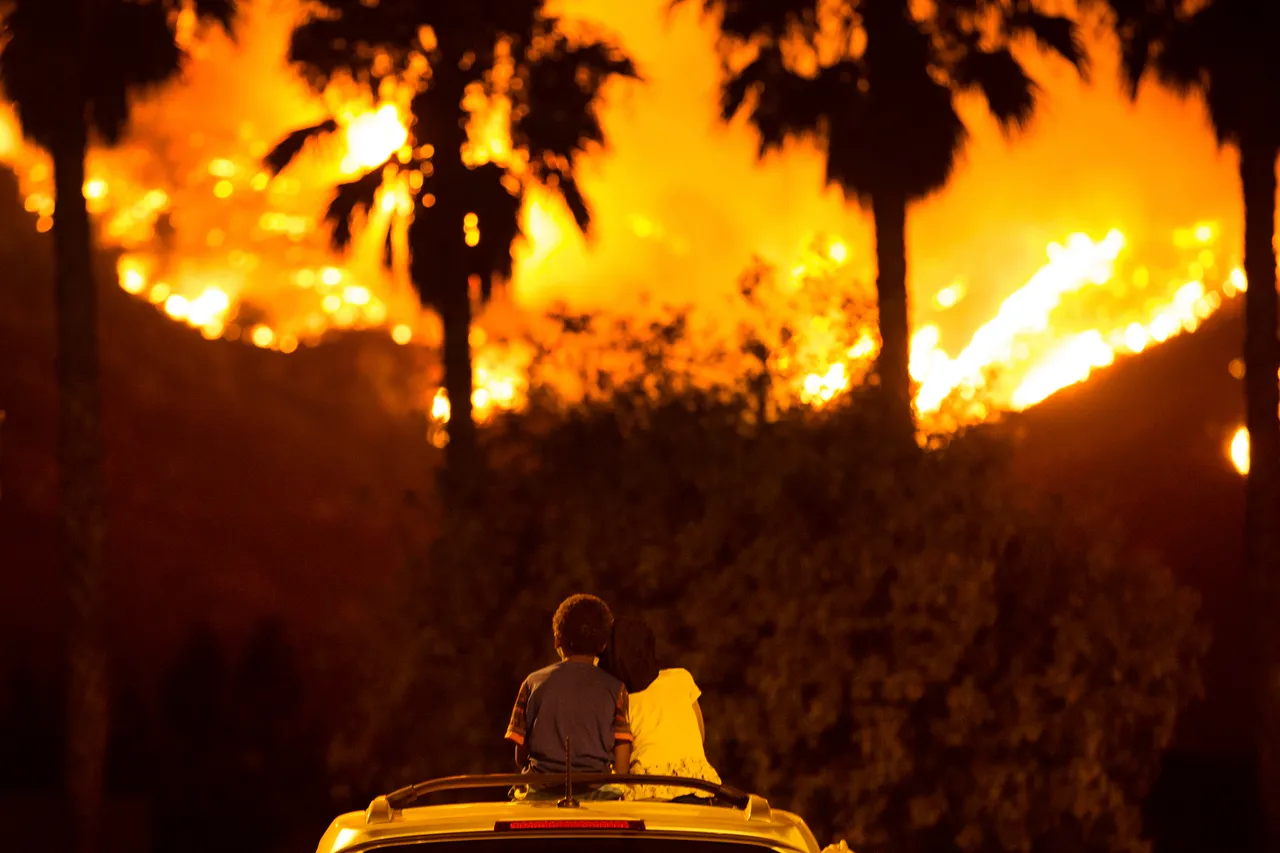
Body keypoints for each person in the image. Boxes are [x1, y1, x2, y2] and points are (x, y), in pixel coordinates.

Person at [504, 594, 632, 798]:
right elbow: (622, 764)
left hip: (539, 790)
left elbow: (520, 756)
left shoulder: (532, 683)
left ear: (557, 640)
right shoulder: (616, 688)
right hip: (596, 792)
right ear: (602, 645)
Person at [601, 616, 721, 801]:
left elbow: (621, 768)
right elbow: (700, 735)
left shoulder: (623, 699)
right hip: (697, 785)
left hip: (650, 791)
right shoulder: (681, 678)